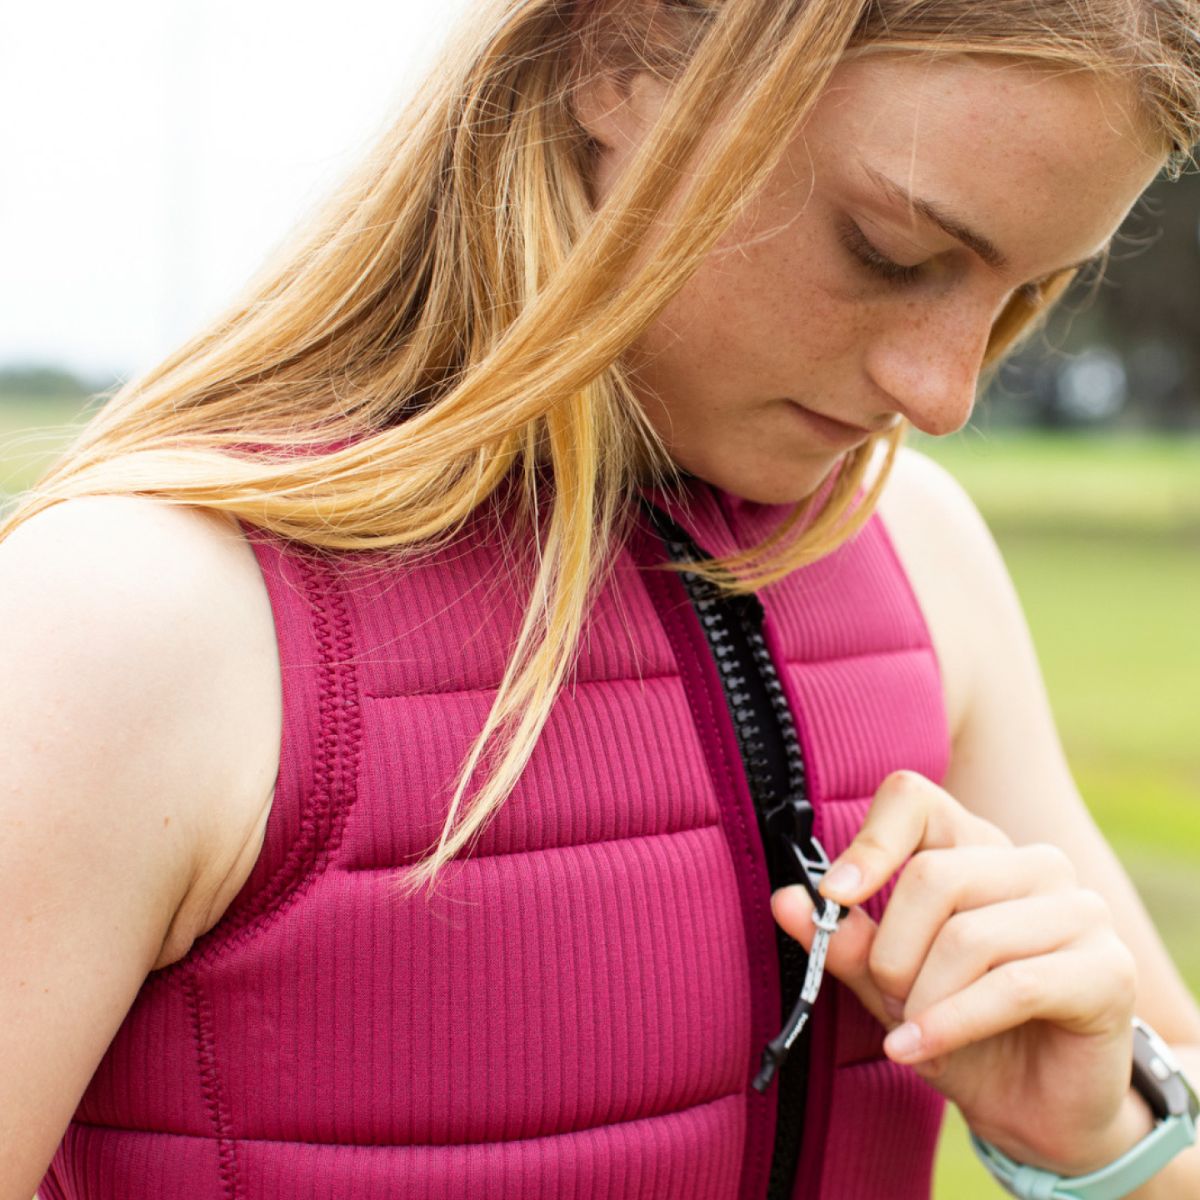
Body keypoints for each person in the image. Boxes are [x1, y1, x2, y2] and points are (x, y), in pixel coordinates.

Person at [2, 1, 1199, 1197]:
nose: (943, 393)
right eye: (887, 251)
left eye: (1027, 291)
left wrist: (1102, 1135)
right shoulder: (132, 622)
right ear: (615, 61)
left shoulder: (921, 555)